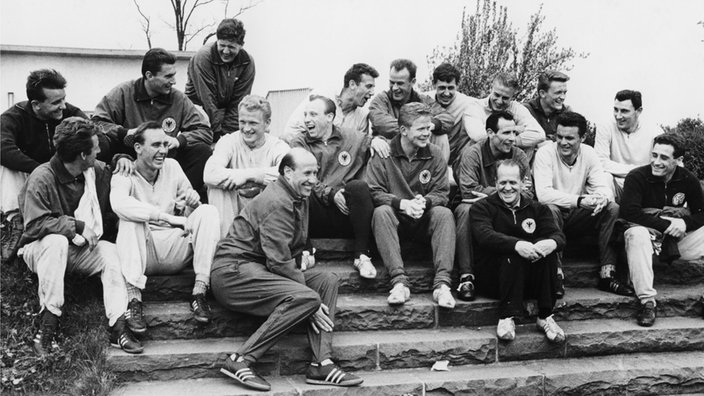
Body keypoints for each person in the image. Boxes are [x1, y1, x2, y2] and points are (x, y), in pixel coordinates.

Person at [211, 148, 363, 391]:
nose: (313, 179)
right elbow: (279, 262)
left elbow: (289, 250)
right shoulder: (277, 201)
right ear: (288, 172)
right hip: (234, 273)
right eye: (307, 173)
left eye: (316, 173)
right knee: (308, 295)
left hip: (260, 270)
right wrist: (310, 303)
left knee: (326, 281)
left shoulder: (297, 196)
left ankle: (321, 363)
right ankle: (240, 360)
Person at [17, 117, 141, 356]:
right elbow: (33, 226)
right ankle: (48, 322)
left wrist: (120, 158)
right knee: (56, 241)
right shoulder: (41, 177)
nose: (99, 150)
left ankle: (118, 326)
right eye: (95, 147)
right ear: (83, 155)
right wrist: (77, 225)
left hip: (78, 251)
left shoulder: (92, 170)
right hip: (41, 250)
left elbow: (110, 167)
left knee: (110, 253)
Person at [110, 122, 220, 336]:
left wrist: (192, 202)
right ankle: (134, 299)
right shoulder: (124, 173)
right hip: (143, 253)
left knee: (208, 211)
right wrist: (165, 217)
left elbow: (188, 212)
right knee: (129, 219)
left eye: (164, 144)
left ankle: (200, 291)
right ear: (138, 148)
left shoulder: (172, 167)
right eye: (155, 145)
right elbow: (119, 204)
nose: (162, 151)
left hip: (174, 249)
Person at [533, 111, 634, 298]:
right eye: (559, 137)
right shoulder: (545, 153)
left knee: (612, 208)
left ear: (583, 137)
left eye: (570, 138)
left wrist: (602, 198)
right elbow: (543, 194)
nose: (563, 142)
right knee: (550, 208)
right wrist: (579, 200)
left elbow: (602, 186)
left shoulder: (589, 153)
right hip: (551, 216)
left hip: (577, 215)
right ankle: (555, 274)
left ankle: (607, 275)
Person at [366, 102, 456, 308]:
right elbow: (374, 191)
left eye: (429, 128)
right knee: (381, 212)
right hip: (395, 220)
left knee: (444, 213)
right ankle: (399, 282)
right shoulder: (384, 152)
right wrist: (401, 204)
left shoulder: (435, 153)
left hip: (423, 219)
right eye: (421, 129)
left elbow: (442, 192)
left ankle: (442, 285)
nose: (427, 133)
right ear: (403, 130)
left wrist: (426, 201)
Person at [291, 95, 389, 279]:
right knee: (300, 186)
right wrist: (330, 193)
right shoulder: (300, 143)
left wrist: (377, 140)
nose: (306, 120)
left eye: (313, 114)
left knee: (359, 187)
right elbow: (301, 175)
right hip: (314, 216)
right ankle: (306, 251)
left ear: (329, 117)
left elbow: (371, 140)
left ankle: (362, 254)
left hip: (346, 215)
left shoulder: (351, 137)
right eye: (305, 115)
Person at [470, 159, 566, 343]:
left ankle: (545, 316)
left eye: (513, 182)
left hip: (528, 279)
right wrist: (517, 245)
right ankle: (507, 317)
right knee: (511, 253)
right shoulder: (482, 208)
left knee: (548, 251)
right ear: (495, 183)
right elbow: (484, 235)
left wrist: (550, 244)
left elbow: (558, 236)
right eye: (503, 182)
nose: (508, 188)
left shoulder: (538, 209)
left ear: (523, 183)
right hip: (494, 280)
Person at [93, 48, 212, 194]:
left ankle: (179, 199)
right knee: (99, 145)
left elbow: (204, 131)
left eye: (174, 75)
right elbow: (96, 123)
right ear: (149, 75)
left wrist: (179, 141)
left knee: (202, 151)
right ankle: (110, 202)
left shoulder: (179, 99)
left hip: (165, 157)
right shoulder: (123, 92)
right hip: (130, 157)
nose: (174, 81)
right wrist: (124, 132)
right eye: (168, 76)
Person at [620, 133, 704, 327]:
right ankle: (647, 302)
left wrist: (684, 224)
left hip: (675, 243)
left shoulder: (687, 179)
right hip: (642, 244)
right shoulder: (637, 176)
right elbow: (629, 212)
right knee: (636, 233)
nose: (656, 162)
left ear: (679, 160)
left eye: (664, 157)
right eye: (654, 155)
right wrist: (669, 225)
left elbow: (701, 214)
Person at [1, 69, 111, 214]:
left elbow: (100, 140)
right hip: (30, 174)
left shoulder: (70, 112)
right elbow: (3, 148)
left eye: (63, 99)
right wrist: (42, 170)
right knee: (6, 167)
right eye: (56, 102)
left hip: (65, 173)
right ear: (36, 104)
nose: (63, 106)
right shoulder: (14, 116)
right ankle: (13, 219)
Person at [453, 111, 532, 301]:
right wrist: (509, 193)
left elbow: (529, 192)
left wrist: (494, 195)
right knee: (465, 210)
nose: (512, 138)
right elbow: (469, 191)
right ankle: (466, 276)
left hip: (503, 206)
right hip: (479, 208)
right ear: (490, 132)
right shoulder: (473, 154)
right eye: (506, 133)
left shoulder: (519, 155)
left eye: (514, 133)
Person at [203, 95, 289, 237]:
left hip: (264, 210)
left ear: (267, 123)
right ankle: (227, 247)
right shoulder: (228, 141)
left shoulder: (278, 145)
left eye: (253, 123)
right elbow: (210, 173)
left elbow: (289, 174)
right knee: (217, 189)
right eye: (242, 122)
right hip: (234, 208)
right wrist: (239, 177)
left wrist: (249, 176)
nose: (246, 129)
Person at [369, 59, 453, 163]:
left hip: (417, 148)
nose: (395, 88)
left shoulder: (423, 100)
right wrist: (416, 129)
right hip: (391, 150)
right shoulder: (380, 100)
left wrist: (433, 124)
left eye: (400, 83)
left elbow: (447, 118)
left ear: (412, 82)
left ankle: (437, 173)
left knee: (441, 136)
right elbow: (381, 123)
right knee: (378, 144)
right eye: (392, 82)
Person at [185, 18, 255, 142]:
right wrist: (217, 135)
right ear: (217, 41)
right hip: (198, 111)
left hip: (224, 113)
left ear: (241, 45)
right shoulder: (204, 57)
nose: (226, 51)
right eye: (222, 45)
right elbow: (207, 99)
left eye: (231, 47)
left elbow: (238, 102)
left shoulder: (247, 62)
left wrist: (228, 136)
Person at [594, 90, 664, 201]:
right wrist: (637, 171)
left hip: (643, 185)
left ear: (638, 111)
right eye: (615, 110)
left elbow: (664, 164)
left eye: (624, 111)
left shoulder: (655, 131)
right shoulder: (605, 126)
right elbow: (600, 162)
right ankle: (610, 215)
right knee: (605, 177)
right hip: (615, 185)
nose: (618, 116)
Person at [283, 63, 379, 141]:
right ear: (352, 84)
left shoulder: (362, 116)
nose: (372, 93)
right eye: (368, 86)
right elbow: (291, 132)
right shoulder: (320, 97)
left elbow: (360, 149)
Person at [465, 72, 545, 160]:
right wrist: (515, 129)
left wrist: (513, 141)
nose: (499, 101)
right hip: (482, 161)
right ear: (491, 89)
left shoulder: (516, 108)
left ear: (512, 96)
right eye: (496, 95)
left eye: (505, 98)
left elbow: (540, 134)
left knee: (532, 145)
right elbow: (478, 136)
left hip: (509, 163)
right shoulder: (475, 107)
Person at [430, 63, 480, 165]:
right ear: (434, 84)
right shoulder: (425, 99)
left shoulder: (468, 103)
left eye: (451, 88)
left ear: (457, 85)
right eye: (442, 88)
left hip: (456, 154)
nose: (447, 93)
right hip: (430, 151)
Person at [523, 71, 572, 142]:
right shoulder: (526, 110)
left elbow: (569, 137)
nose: (563, 97)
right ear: (542, 93)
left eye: (564, 93)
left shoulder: (567, 112)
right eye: (558, 92)